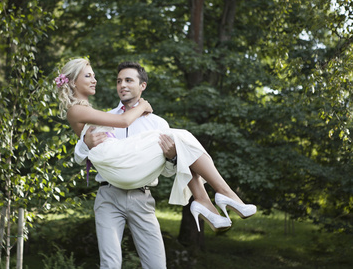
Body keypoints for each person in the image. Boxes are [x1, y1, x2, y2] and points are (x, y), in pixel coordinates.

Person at [57, 58, 256, 268]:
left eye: (128, 80)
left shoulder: (157, 122)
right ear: (72, 82)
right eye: (118, 81)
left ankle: (206, 201)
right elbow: (86, 149)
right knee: (184, 137)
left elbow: (170, 170)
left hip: (141, 194)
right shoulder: (106, 115)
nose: (122, 85)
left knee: (157, 265)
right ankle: (218, 196)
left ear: (142, 85)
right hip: (110, 192)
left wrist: (173, 157)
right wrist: (85, 144)